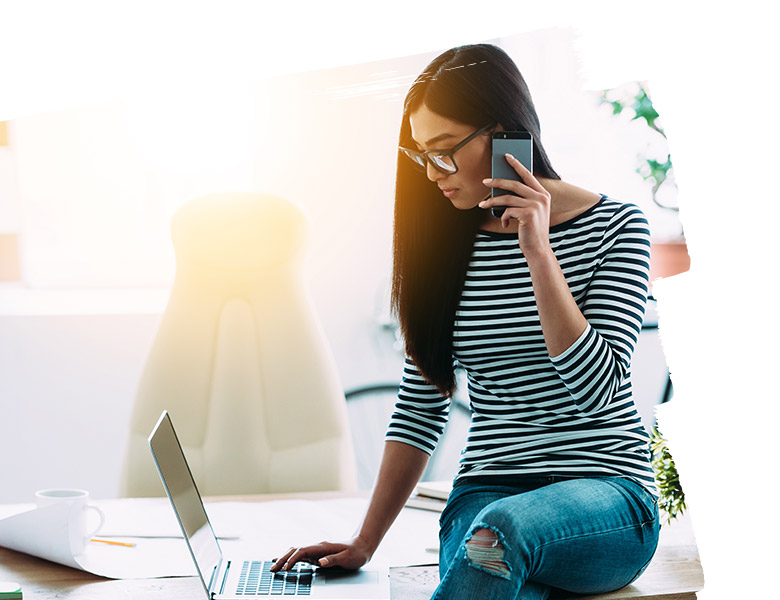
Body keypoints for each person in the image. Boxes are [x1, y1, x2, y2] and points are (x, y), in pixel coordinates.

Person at [271, 43, 660, 599]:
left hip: (606, 500)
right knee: (498, 552)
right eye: (421, 155)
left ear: (505, 135)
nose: (433, 173)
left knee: (503, 532)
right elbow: (420, 407)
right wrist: (364, 542)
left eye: (446, 151)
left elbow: (597, 391)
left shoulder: (618, 226)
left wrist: (538, 253)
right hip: (484, 500)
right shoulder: (443, 245)